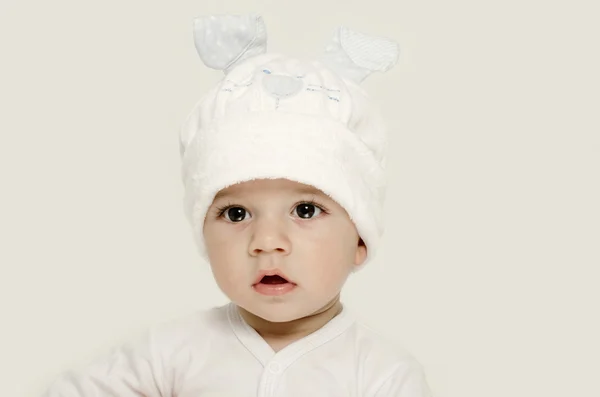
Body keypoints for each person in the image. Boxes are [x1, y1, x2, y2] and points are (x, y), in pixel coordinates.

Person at [42, 13, 433, 397]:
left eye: (305, 210)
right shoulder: (169, 353)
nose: (266, 241)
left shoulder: (383, 376)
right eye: (236, 213)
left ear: (360, 241)